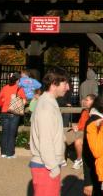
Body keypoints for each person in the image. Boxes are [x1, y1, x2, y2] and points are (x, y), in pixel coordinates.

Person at [30, 67, 71, 196]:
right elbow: (46, 140)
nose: (68, 87)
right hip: (46, 166)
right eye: (65, 83)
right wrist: (53, 167)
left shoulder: (49, 102)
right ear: (54, 83)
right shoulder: (47, 107)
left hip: (46, 164)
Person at [0, 72, 26, 158]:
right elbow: (23, 101)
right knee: (12, 133)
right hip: (14, 113)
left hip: (4, 112)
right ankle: (10, 153)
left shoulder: (4, 88)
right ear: (17, 80)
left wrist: (4, 103)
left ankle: (3, 152)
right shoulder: (19, 89)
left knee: (5, 132)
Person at [72, 94, 95, 170]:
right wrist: (76, 126)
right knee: (62, 137)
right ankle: (60, 157)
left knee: (78, 141)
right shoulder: (84, 111)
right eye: (85, 100)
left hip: (87, 133)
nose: (85, 101)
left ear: (93, 101)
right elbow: (80, 123)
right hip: (79, 131)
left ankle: (79, 159)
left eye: (87, 100)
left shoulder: (94, 113)